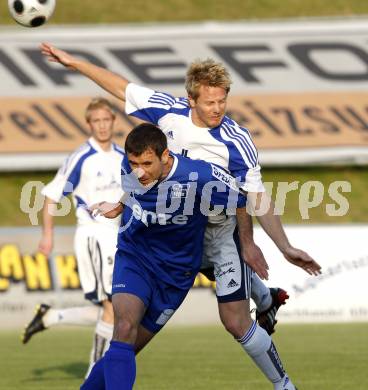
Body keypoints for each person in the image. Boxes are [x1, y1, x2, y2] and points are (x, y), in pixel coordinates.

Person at [41, 43, 321, 390]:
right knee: (125, 339)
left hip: (221, 231)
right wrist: (75, 63)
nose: (218, 108)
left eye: (222, 101)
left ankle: (283, 383)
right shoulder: (167, 112)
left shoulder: (236, 140)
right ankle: (266, 296)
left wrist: (282, 245)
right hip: (178, 232)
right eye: (210, 102)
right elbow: (119, 87)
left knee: (234, 321)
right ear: (192, 99)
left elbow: (255, 196)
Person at [21, 97, 125, 376]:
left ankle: (52, 316)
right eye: (97, 121)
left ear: (114, 121)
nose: (102, 125)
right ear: (89, 124)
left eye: (107, 120)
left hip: (118, 238)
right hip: (95, 236)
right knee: (113, 307)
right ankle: (96, 374)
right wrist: (47, 235)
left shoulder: (121, 156)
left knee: (116, 309)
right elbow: (51, 195)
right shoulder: (83, 157)